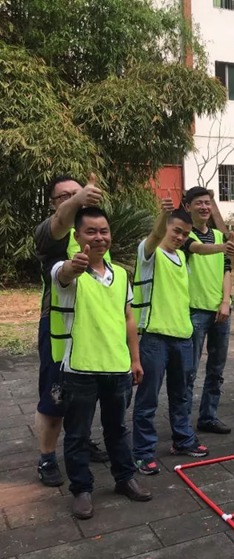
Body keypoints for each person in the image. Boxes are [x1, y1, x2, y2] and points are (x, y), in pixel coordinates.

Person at [50, 206, 152, 518]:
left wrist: (135, 359)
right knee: (78, 434)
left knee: (117, 429)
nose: (98, 237)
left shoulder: (120, 274)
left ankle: (125, 478)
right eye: (90, 231)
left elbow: (128, 318)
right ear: (77, 235)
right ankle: (82, 489)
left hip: (117, 367)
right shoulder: (65, 270)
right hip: (80, 369)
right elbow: (64, 275)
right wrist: (73, 266)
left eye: (103, 231)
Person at [33, 174, 108, 487]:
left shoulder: (96, 231)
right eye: (63, 196)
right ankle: (47, 458)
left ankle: (80, 441)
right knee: (56, 395)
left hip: (95, 324)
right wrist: (77, 199)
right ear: (54, 203)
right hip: (59, 328)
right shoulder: (50, 232)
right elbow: (60, 222)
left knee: (87, 392)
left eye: (76, 193)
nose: (72, 199)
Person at [131, 200, 209, 476]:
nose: (180, 237)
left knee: (181, 394)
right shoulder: (149, 254)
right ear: (165, 227)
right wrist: (162, 215)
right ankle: (142, 452)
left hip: (182, 336)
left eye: (185, 234)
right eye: (176, 230)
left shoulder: (182, 259)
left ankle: (183, 439)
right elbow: (154, 236)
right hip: (154, 337)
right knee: (148, 398)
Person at [181, 186, 234, 434]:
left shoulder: (218, 235)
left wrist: (226, 301)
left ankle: (208, 416)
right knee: (188, 371)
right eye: (199, 203)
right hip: (194, 311)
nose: (204, 207)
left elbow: (227, 271)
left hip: (220, 311)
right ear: (188, 207)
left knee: (216, 369)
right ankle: (182, 424)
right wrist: (224, 246)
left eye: (207, 203)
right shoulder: (183, 235)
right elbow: (196, 248)